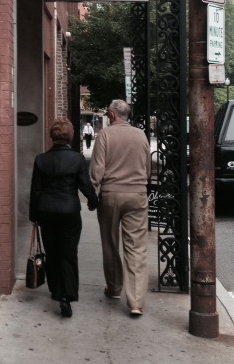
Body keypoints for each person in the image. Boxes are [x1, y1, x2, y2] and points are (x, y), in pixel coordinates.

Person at [29, 118, 98, 318]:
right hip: (69, 212)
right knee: (68, 252)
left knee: (52, 251)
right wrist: (93, 201)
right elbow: (85, 185)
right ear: (70, 136)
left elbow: (35, 190)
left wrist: (34, 216)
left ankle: (56, 290)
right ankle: (68, 295)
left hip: (46, 211)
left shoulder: (41, 159)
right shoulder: (76, 159)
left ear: (52, 136)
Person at [90, 99, 151, 317]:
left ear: (112, 115)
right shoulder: (141, 135)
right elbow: (147, 167)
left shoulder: (105, 135)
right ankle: (136, 302)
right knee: (136, 247)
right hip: (137, 194)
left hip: (111, 194)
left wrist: (92, 192)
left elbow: (97, 169)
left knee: (110, 242)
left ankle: (114, 287)